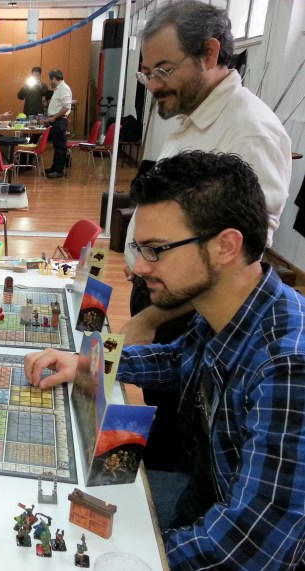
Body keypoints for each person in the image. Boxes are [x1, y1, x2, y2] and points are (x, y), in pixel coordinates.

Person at [25, 150, 305, 569]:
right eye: (138, 247)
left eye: (156, 249)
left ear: (226, 246)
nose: (137, 267)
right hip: (203, 497)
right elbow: (179, 358)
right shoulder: (230, 306)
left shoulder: (288, 369)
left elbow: (246, 549)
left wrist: (127, 560)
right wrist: (87, 363)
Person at [121, 0, 292, 471]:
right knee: (169, 441)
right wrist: (100, 359)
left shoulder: (249, 132)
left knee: (193, 451)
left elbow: (243, 257)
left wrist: (152, 316)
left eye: (163, 69)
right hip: (178, 308)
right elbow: (181, 360)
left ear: (210, 53)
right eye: (146, 73)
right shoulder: (192, 117)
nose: (153, 84)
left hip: (183, 308)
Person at [44, 69, 72, 178]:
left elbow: (66, 107)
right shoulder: (58, 89)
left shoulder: (64, 88)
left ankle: (58, 170)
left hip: (59, 120)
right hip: (56, 120)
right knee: (57, 145)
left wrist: (54, 117)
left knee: (60, 146)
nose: (49, 82)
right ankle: (54, 167)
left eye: (50, 80)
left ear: (54, 79)